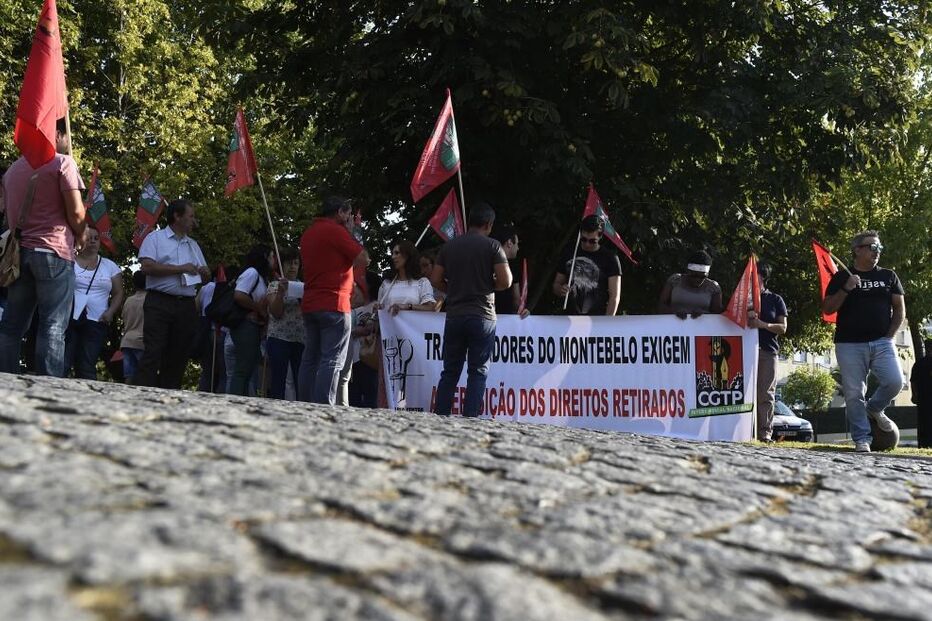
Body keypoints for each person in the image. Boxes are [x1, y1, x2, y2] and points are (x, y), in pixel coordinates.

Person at [0, 118, 86, 376]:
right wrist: (81, 234)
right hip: (54, 252)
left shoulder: (13, 170)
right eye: (67, 135)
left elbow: (10, 217)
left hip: (20, 255)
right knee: (53, 325)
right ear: (58, 134)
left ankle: (5, 379)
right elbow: (77, 213)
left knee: (12, 326)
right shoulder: (63, 163)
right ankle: (50, 385)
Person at [823, 230, 905, 453]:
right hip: (849, 344)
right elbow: (828, 308)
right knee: (853, 393)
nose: (877, 251)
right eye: (872, 247)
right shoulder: (841, 278)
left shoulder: (889, 276)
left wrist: (889, 336)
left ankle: (875, 408)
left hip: (882, 342)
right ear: (857, 250)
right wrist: (847, 288)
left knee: (895, 382)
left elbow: (899, 309)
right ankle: (862, 439)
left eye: (879, 247)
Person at [432, 202, 512, 417]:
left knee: (450, 371)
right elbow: (506, 281)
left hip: (455, 314)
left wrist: (454, 288)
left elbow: (436, 279)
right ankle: (471, 419)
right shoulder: (493, 246)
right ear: (489, 224)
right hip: (482, 315)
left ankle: (440, 415)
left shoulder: (448, 247)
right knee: (478, 371)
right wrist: (486, 285)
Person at [135, 199, 211, 389]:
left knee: (179, 353)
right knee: (154, 350)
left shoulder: (193, 245)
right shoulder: (155, 238)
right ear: (177, 216)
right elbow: (147, 267)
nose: (194, 221)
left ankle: (169, 395)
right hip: (159, 302)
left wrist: (205, 274)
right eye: (191, 216)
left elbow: (205, 274)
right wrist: (179, 269)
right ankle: (143, 394)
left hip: (185, 304)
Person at [298, 196, 365, 404]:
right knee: (332, 359)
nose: (349, 218)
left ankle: (304, 404)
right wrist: (352, 232)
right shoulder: (337, 232)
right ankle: (323, 407)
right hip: (334, 303)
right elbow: (363, 257)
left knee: (309, 359)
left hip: (310, 302)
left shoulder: (308, 234)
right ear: (339, 213)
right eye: (347, 214)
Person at [375, 241, 437, 407]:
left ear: (407, 256)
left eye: (397, 253)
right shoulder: (387, 284)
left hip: (413, 343)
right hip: (389, 344)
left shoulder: (421, 283)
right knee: (389, 381)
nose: (393, 256)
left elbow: (431, 307)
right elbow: (379, 311)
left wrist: (407, 307)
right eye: (393, 253)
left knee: (411, 380)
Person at [65, 227, 124, 379]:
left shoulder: (109, 266)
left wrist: (110, 312)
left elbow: (118, 293)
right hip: (69, 318)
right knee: (63, 362)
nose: (92, 241)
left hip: (97, 320)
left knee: (86, 365)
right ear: (79, 240)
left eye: (96, 238)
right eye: (88, 237)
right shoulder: (69, 260)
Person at [747, 262, 787, 442]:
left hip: (767, 352)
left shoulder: (775, 299)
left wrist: (762, 325)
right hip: (743, 351)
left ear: (763, 277)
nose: (751, 279)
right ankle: (743, 430)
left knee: (765, 393)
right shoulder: (741, 298)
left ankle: (764, 433)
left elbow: (782, 328)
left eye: (755, 275)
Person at [553, 215, 621, 316]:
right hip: (569, 318)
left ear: (600, 236)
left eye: (592, 241)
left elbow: (614, 297)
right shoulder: (569, 252)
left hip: (597, 320)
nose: (587, 244)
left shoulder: (610, 258)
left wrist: (607, 324)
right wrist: (560, 289)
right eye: (584, 239)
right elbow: (556, 285)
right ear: (580, 234)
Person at [228, 245, 274, 396]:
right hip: (244, 325)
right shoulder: (251, 273)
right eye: (272, 257)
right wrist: (257, 308)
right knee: (243, 367)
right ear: (265, 258)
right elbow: (239, 295)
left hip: (253, 326)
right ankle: (235, 400)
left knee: (249, 367)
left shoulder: (261, 277)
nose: (274, 260)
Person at [266, 247, 304, 400]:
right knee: (278, 380)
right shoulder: (274, 286)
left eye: (296, 263)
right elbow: (276, 312)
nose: (293, 267)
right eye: (289, 263)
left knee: (300, 380)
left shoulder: (304, 286)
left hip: (300, 339)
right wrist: (281, 293)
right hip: (278, 338)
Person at [657, 250, 723, 318]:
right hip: (673, 325)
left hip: (702, 327)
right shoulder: (675, 280)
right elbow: (661, 305)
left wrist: (704, 315)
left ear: (708, 274)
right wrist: (674, 312)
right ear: (688, 271)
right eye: (694, 275)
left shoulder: (714, 287)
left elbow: (718, 314)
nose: (697, 279)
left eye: (702, 277)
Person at [492, 225, 529, 318]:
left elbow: (517, 300)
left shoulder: (484, 260)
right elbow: (516, 299)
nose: (518, 248)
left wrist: (523, 311)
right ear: (509, 243)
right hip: (498, 320)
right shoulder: (511, 266)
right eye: (517, 244)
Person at [120, 270, 147, 384]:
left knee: (129, 376)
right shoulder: (150, 300)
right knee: (145, 375)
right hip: (142, 341)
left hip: (127, 341)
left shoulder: (128, 300)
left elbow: (124, 318)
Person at [910, 339, 932, 449]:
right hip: (924, 397)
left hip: (923, 397)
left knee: (923, 421)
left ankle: (923, 443)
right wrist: (914, 395)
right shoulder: (920, 364)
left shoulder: (919, 363)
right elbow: (913, 381)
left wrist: (914, 394)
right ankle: (924, 443)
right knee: (924, 421)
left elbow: (913, 381)